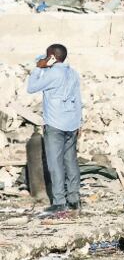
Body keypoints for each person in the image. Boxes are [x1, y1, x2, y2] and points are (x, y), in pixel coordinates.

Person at [27, 44, 82, 214]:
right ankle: (74, 199)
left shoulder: (52, 74)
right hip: (72, 123)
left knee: (55, 163)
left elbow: (31, 88)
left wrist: (38, 68)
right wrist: (80, 122)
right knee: (71, 161)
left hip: (55, 124)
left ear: (52, 56)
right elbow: (78, 99)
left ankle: (59, 201)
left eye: (47, 55)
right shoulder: (73, 74)